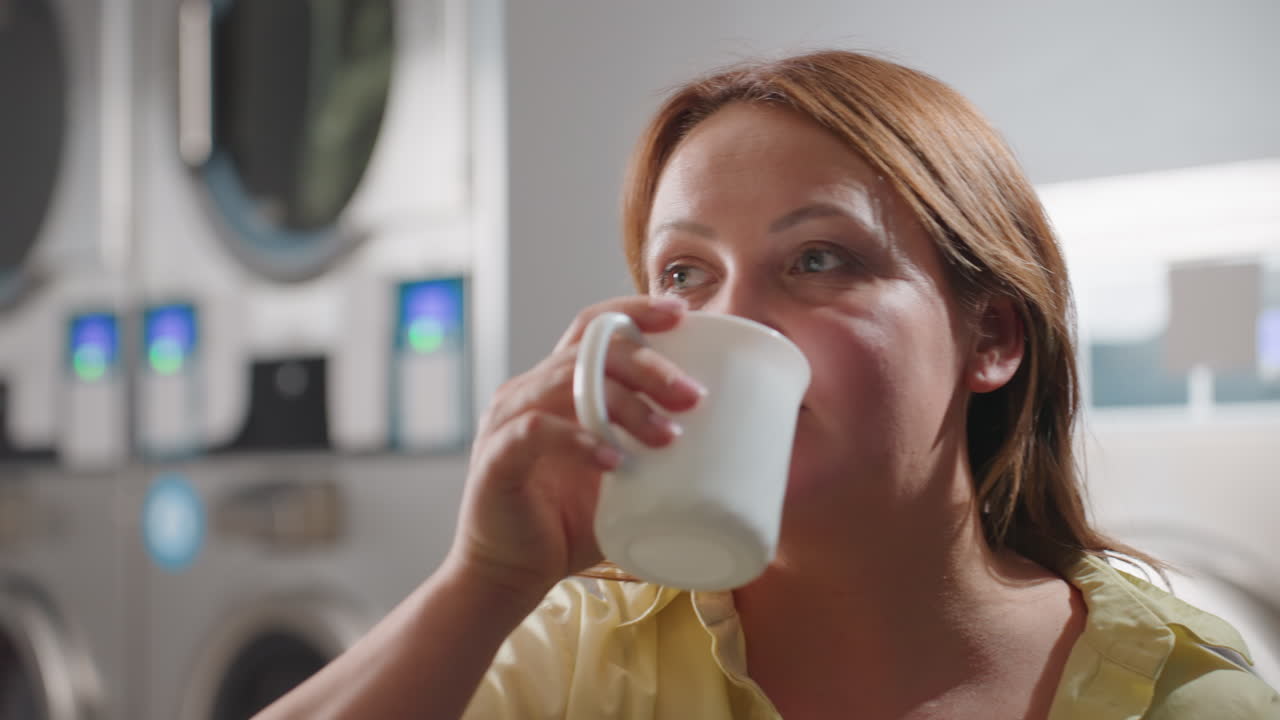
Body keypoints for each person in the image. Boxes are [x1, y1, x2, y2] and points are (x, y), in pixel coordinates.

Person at [258, 50, 1279, 719]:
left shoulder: (1172, 696)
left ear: (992, 337)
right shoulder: (574, 658)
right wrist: (480, 578)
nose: (727, 321)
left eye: (818, 260)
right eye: (682, 274)